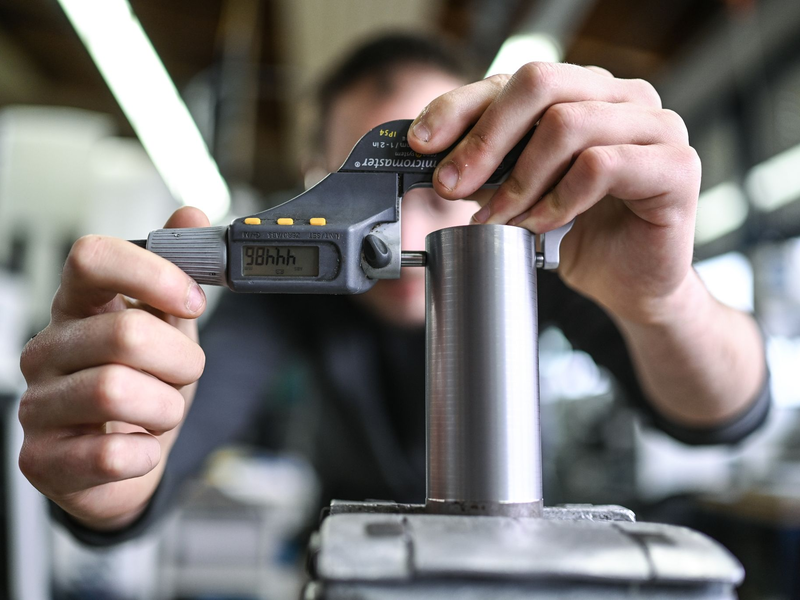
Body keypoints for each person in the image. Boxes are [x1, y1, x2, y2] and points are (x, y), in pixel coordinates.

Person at [18, 33, 770, 545]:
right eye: (379, 200)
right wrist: (107, 471)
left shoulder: (535, 250)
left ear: (501, 171)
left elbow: (722, 417)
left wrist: (665, 300)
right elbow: (166, 449)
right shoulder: (286, 286)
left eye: (447, 188)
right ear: (315, 192)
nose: (412, 239)